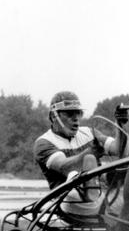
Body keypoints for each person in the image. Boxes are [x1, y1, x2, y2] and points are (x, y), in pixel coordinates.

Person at [34, 91, 121, 221]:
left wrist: (120, 124)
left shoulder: (88, 132)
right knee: (78, 170)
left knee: (120, 169)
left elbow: (118, 149)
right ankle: (94, 195)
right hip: (68, 202)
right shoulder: (44, 143)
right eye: (69, 114)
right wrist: (90, 152)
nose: (76, 118)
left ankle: (98, 194)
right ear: (53, 117)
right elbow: (65, 166)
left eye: (78, 113)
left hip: (101, 197)